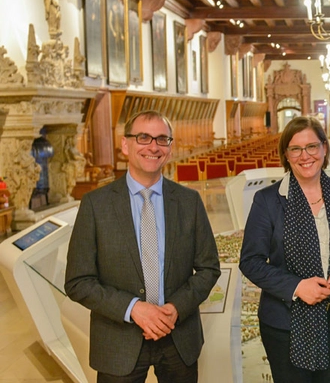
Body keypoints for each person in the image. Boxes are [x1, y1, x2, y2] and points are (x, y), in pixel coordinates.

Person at [65, 110, 221, 382]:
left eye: (162, 139)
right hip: (119, 341)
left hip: (178, 338)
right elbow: (78, 281)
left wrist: (175, 308)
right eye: (143, 137)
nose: (153, 147)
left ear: (170, 149)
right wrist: (134, 309)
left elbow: (209, 268)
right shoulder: (95, 205)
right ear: (125, 145)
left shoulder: (189, 202)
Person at [239, 116, 330, 383]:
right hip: (284, 325)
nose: (305, 155)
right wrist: (298, 287)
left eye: (312, 146)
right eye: (295, 149)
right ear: (286, 155)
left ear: (324, 148)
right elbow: (250, 261)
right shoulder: (267, 200)